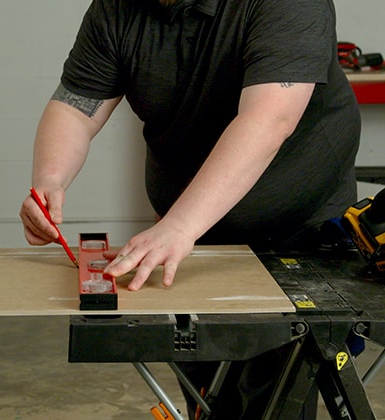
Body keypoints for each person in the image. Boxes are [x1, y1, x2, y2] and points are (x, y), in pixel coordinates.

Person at [19, 0, 360, 417]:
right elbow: (76, 106)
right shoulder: (117, 8)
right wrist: (49, 180)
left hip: (297, 229)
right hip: (192, 234)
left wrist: (180, 225)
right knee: (205, 382)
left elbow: (270, 119)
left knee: (274, 391)